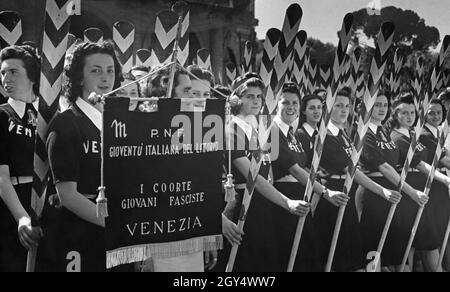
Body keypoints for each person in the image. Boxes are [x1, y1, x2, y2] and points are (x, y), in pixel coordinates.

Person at [44, 41, 122, 272]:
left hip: (119, 239)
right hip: (80, 235)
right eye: (95, 70)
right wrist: (115, 225)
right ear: (79, 77)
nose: (105, 78)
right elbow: (67, 195)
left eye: (110, 70)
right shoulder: (66, 123)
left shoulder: (120, 124)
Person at [221, 75, 309, 272]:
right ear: (236, 98)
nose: (256, 101)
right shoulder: (230, 129)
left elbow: (268, 171)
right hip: (243, 202)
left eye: (259, 97)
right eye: (249, 96)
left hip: (264, 204)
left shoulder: (261, 129)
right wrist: (286, 202)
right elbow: (253, 177)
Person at [313, 88, 401, 272]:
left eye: (347, 106)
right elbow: (351, 170)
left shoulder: (342, 134)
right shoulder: (324, 135)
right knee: (336, 258)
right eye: (338, 106)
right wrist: (382, 190)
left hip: (348, 195)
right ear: (327, 108)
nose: (344, 110)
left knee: (353, 258)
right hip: (334, 196)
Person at [270, 83, 347, 271]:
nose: (291, 107)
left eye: (295, 103)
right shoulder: (272, 131)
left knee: (308, 253)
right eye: (285, 102)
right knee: (292, 255)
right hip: (285, 195)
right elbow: (294, 169)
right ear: (275, 104)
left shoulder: (291, 133)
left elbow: (304, 166)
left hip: (301, 193)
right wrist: (325, 191)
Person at [389, 94, 450, 271]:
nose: (409, 116)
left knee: (425, 240)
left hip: (423, 186)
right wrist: (446, 179)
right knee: (415, 241)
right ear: (395, 115)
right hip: (411, 189)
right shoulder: (398, 137)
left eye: (412, 112)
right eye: (404, 113)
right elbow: (422, 165)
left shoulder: (411, 134)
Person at [358, 92, 413, 271]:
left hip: (392, 193)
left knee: (394, 251)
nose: (382, 108)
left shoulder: (383, 131)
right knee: (373, 249)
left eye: (384, 105)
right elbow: (384, 167)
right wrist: (411, 191)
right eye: (377, 105)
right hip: (375, 194)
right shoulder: (364, 132)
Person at [0, 45, 43, 272]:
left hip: (48, 205)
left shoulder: (49, 114)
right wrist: (22, 218)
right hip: (12, 207)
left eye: (13, 71)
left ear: (32, 76)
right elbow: (1, 177)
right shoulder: (1, 114)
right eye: (3, 72)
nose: (6, 78)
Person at [419, 98, 450, 271]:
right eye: (431, 112)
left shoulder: (438, 132)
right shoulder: (423, 133)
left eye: (439, 112)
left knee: (443, 226)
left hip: (441, 184)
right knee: (434, 229)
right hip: (431, 184)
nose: (436, 116)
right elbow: (443, 160)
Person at [297, 94, 322, 169]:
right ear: (304, 111)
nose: (316, 111)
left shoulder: (324, 133)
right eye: (312, 108)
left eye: (319, 107)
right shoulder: (299, 134)